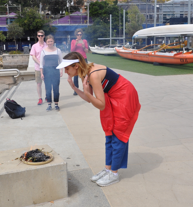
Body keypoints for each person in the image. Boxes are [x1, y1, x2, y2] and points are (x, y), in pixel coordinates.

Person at [57, 52, 141, 187]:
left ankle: (114, 173)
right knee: (109, 132)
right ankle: (108, 169)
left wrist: (86, 91)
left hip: (125, 95)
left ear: (76, 66)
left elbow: (100, 105)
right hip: (112, 96)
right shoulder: (85, 73)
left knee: (118, 134)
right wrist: (74, 87)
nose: (65, 71)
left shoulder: (93, 75)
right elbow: (89, 99)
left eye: (67, 68)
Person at [40, 35, 63, 111]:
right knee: (48, 88)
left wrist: (61, 71)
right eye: (48, 41)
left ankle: (56, 104)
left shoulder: (58, 50)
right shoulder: (43, 51)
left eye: (51, 41)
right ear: (46, 42)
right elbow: (41, 64)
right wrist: (42, 73)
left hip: (56, 71)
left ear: (53, 41)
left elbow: (61, 62)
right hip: (47, 71)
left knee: (56, 88)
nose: (50, 43)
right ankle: (49, 104)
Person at [30, 30, 47, 105]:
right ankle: (40, 98)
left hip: (47, 67)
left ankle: (47, 96)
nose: (40, 37)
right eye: (39, 36)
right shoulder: (34, 46)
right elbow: (33, 56)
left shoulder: (47, 45)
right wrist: (40, 63)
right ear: (37, 36)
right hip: (38, 67)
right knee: (39, 83)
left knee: (47, 83)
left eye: (42, 35)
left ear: (44, 36)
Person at [70, 28, 89, 96]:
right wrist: (76, 43)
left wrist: (83, 46)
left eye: (80, 34)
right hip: (76, 59)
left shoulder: (84, 41)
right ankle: (76, 90)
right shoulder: (73, 41)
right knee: (76, 74)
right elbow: (72, 50)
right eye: (78, 34)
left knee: (84, 74)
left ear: (82, 35)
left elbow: (87, 51)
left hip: (83, 58)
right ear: (76, 35)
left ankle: (85, 88)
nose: (79, 36)